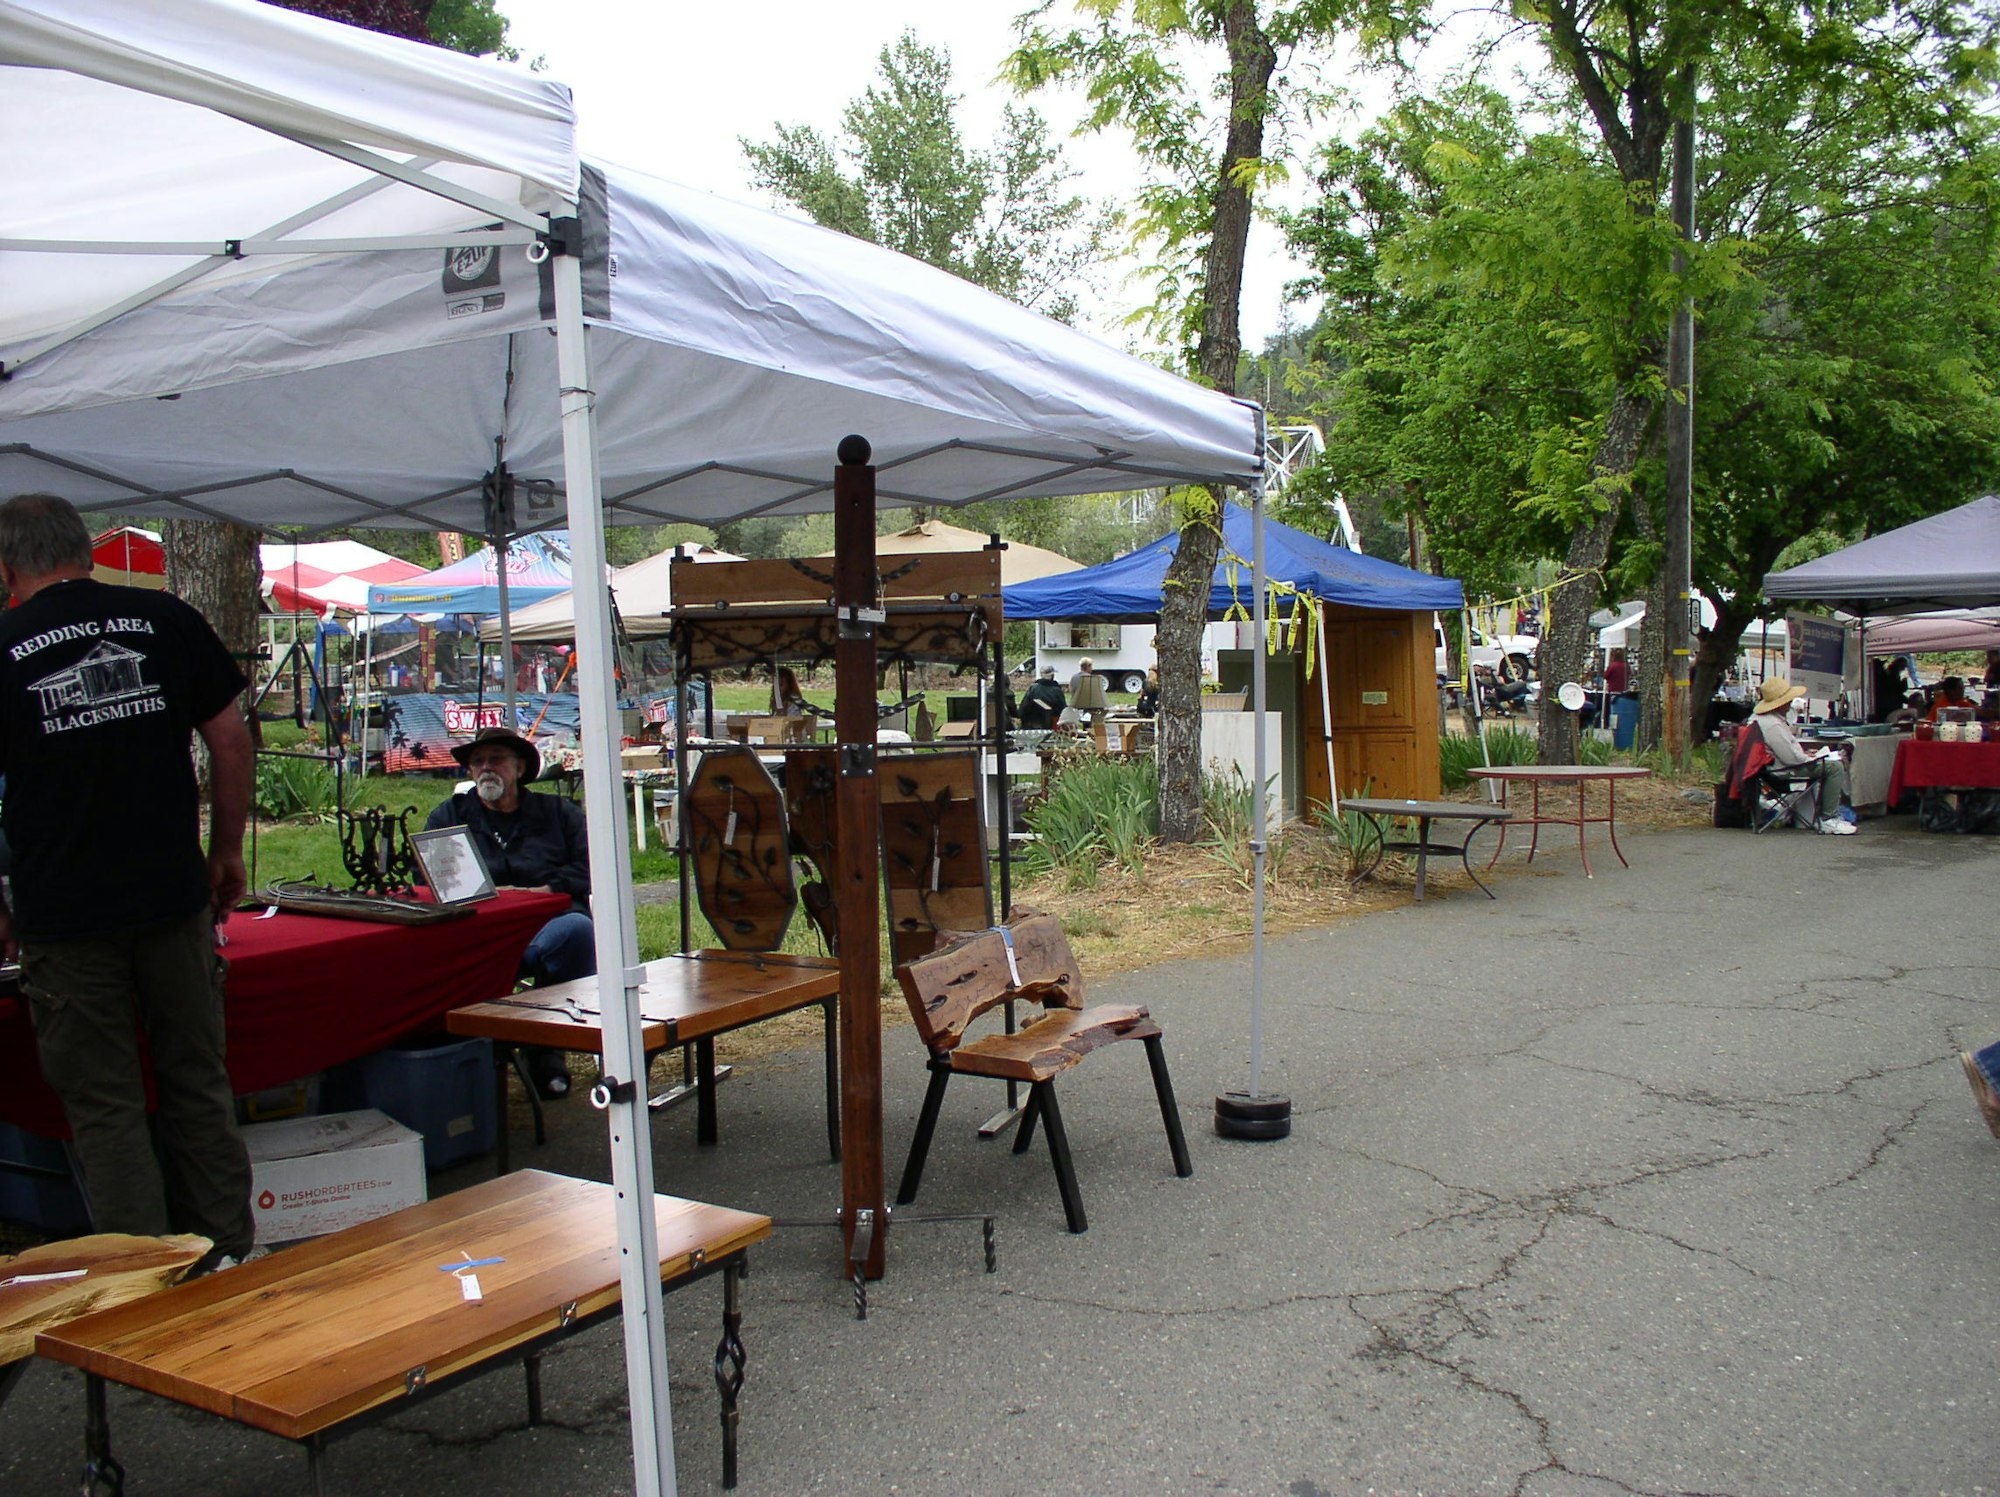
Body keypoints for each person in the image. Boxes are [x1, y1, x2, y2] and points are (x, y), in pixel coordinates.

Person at [0, 493, 256, 1267]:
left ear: (9, 567)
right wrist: (228, 848)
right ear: (86, 550)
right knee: (195, 1081)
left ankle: (148, 1286)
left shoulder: (3, 641)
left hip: (63, 911)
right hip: (170, 891)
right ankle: (229, 1257)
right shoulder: (165, 618)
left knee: (105, 1104)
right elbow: (231, 740)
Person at [427, 725, 591, 1098]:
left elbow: (592, 865)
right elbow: (432, 877)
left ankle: (544, 1046)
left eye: (497, 760)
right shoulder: (449, 817)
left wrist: (541, 891)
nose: (486, 768)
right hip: (479, 932)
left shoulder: (557, 813)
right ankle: (468, 1056)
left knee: (577, 931)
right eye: (478, 762)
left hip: (548, 924)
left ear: (519, 768)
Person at [1749, 678, 1856, 833]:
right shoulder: (1773, 725)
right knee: (1835, 767)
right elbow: (1792, 759)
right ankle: (1829, 818)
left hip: (1770, 768)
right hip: (1782, 770)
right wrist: (1814, 758)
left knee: (1829, 763)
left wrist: (1807, 755)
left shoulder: (1760, 719)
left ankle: (1826, 815)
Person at [1020, 666, 1066, 731]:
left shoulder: (1033, 689)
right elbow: (1063, 710)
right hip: (1052, 727)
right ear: (1052, 676)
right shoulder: (1057, 691)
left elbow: (1023, 708)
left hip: (1031, 725)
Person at [1069, 659, 1110, 725]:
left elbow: (1071, 690)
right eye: (1091, 667)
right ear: (1088, 667)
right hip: (1088, 706)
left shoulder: (1074, 677)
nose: (1092, 669)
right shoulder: (1090, 679)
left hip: (1075, 705)